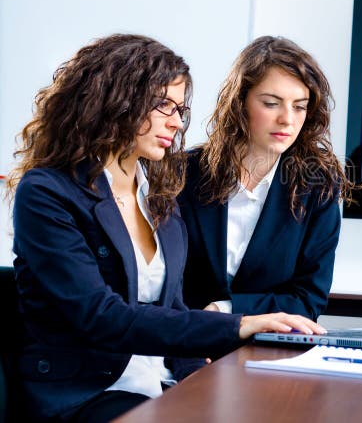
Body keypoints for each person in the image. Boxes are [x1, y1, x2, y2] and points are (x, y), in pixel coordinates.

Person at [7, 34, 324, 422]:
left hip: (159, 382)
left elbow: (171, 304)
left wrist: (200, 378)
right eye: (163, 105)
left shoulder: (157, 189)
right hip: (88, 391)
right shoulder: (47, 192)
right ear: (116, 101)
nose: (176, 121)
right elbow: (100, 315)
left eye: (180, 109)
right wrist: (236, 323)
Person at [177, 36, 352, 318]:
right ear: (240, 102)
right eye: (272, 103)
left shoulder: (316, 188)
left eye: (299, 106)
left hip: (264, 350)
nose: (287, 119)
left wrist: (226, 309)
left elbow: (308, 301)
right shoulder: (183, 173)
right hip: (181, 344)